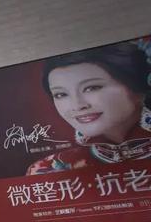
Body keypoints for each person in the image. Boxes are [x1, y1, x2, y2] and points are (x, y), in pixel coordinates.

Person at [28, 41, 151, 175]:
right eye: (60, 94)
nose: (77, 105)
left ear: (138, 89)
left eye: (92, 88)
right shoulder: (48, 169)